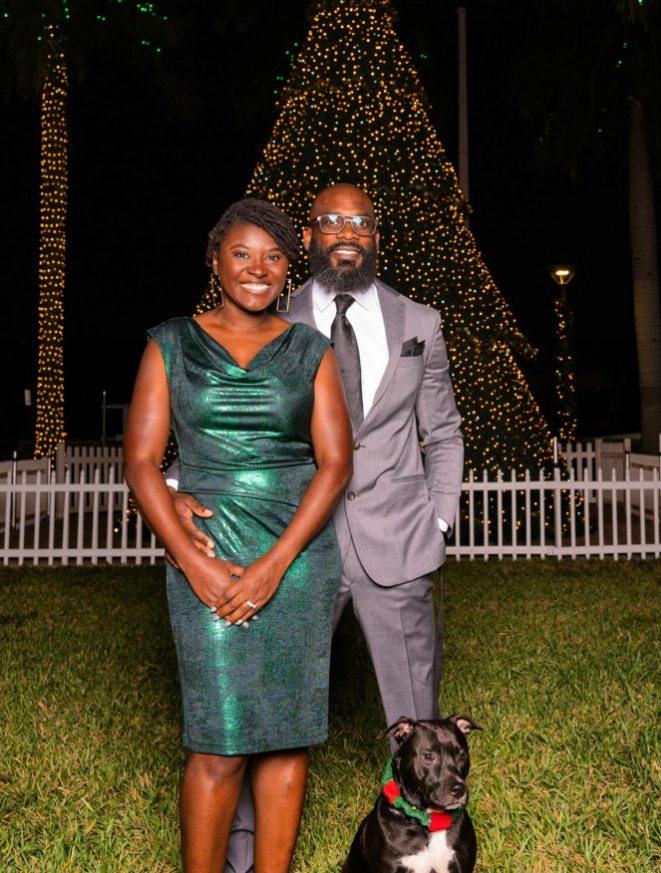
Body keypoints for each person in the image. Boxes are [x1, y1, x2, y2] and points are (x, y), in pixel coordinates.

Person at [168, 183, 464, 873]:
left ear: (375, 233)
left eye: (359, 219)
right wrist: (178, 485)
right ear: (307, 235)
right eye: (330, 219)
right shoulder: (271, 312)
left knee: (419, 720)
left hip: (396, 543)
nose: (345, 230)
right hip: (292, 547)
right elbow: (231, 414)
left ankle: (430, 853)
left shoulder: (421, 320)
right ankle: (241, 856)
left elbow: (442, 431)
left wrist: (438, 521)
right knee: (260, 707)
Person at [124, 198, 353, 873]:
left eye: (274, 257)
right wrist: (189, 560)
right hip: (208, 551)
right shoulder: (170, 342)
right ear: (215, 259)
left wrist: (277, 564)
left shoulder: (310, 348)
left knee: (286, 739)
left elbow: (336, 462)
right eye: (243, 254)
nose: (258, 269)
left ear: (288, 269)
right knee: (218, 743)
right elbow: (140, 461)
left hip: (298, 555)